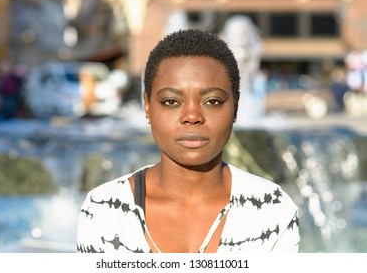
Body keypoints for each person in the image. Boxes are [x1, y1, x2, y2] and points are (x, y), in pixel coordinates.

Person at [77, 29, 300, 253]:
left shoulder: (272, 208)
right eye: (171, 101)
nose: (192, 116)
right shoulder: (104, 209)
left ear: (236, 106)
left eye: (212, 101)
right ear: (147, 106)